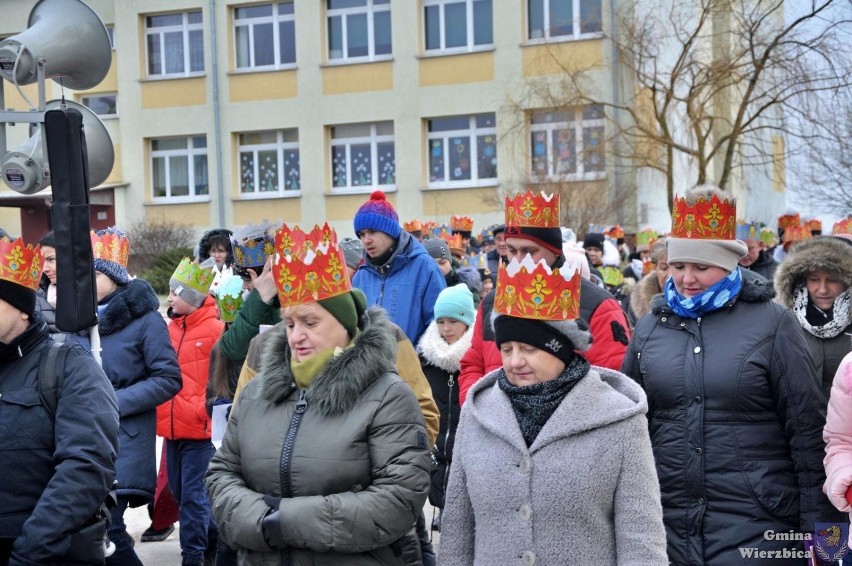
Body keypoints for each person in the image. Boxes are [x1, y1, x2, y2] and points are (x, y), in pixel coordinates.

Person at [621, 186, 843, 564]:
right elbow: (628, 431)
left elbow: (807, 434)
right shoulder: (650, 329)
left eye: (701, 267)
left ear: (729, 266)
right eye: (677, 266)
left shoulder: (773, 325)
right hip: (667, 526)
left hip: (759, 527)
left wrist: (826, 543)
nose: (686, 278)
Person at [206, 225, 431, 565]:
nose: (296, 336)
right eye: (291, 323)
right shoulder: (256, 393)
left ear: (344, 324)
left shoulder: (387, 397)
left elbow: (397, 499)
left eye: (310, 323)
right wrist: (257, 520)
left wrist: (283, 520)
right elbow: (221, 474)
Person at [439, 253, 667, 564]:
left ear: (559, 349)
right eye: (506, 349)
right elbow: (457, 530)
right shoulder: (479, 413)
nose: (514, 361)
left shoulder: (617, 418)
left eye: (529, 349)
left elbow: (641, 537)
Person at [64, 227, 182, 565]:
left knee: (108, 530)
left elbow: (167, 379)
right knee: (94, 532)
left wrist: (111, 402)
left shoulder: (145, 321)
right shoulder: (78, 320)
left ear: (113, 276)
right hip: (81, 441)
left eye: (94, 272)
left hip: (123, 441)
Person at [0, 235, 120, 564]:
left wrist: (28, 554)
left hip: (41, 553)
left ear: (22, 309)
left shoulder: (69, 368)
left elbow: (85, 468)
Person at [459, 190, 631, 405]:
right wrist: (479, 409)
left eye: (530, 252)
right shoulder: (492, 302)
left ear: (554, 251)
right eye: (512, 251)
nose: (519, 261)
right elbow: (473, 365)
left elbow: (613, 380)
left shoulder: (597, 304)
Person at [157, 258, 224, 566]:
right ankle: (215, 541)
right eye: (170, 291)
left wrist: (203, 409)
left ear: (194, 296)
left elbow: (220, 376)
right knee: (181, 493)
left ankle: (193, 556)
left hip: (200, 429)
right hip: (172, 428)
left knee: (194, 498)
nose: (170, 298)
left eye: (176, 291)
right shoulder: (171, 328)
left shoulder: (214, 329)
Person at [415, 284, 476, 533]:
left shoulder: (475, 360)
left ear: (467, 321)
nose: (446, 329)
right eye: (440, 321)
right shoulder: (426, 360)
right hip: (434, 454)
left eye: (453, 321)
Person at [352, 190, 446, 344]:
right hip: (371, 367)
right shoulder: (359, 277)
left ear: (391, 232)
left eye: (372, 232)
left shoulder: (425, 268)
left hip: (414, 365)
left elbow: (439, 326)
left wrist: (419, 363)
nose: (366, 240)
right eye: (361, 234)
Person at [774, 235, 851, 400]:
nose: (822, 290)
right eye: (814, 280)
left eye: (832, 280)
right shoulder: (781, 320)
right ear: (802, 280)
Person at [627, 238, 669, 326]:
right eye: (664, 268)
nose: (670, 275)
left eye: (679, 267)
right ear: (655, 268)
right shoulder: (638, 301)